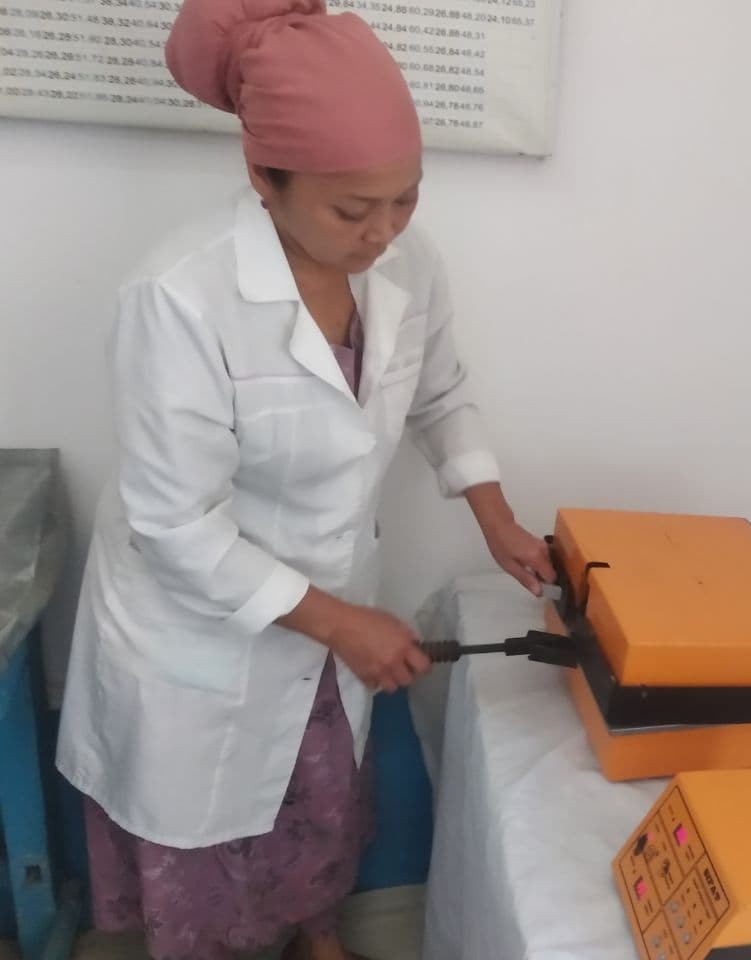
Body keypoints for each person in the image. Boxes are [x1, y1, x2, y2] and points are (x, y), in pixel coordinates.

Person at [55, 2, 555, 958]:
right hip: (200, 632)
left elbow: (440, 392)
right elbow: (175, 525)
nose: (382, 233)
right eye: (351, 210)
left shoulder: (407, 264)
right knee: (207, 841)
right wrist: (342, 624)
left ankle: (313, 936)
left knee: (318, 799)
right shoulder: (179, 296)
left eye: (404, 199)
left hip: (327, 611)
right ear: (263, 178)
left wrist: (495, 518)